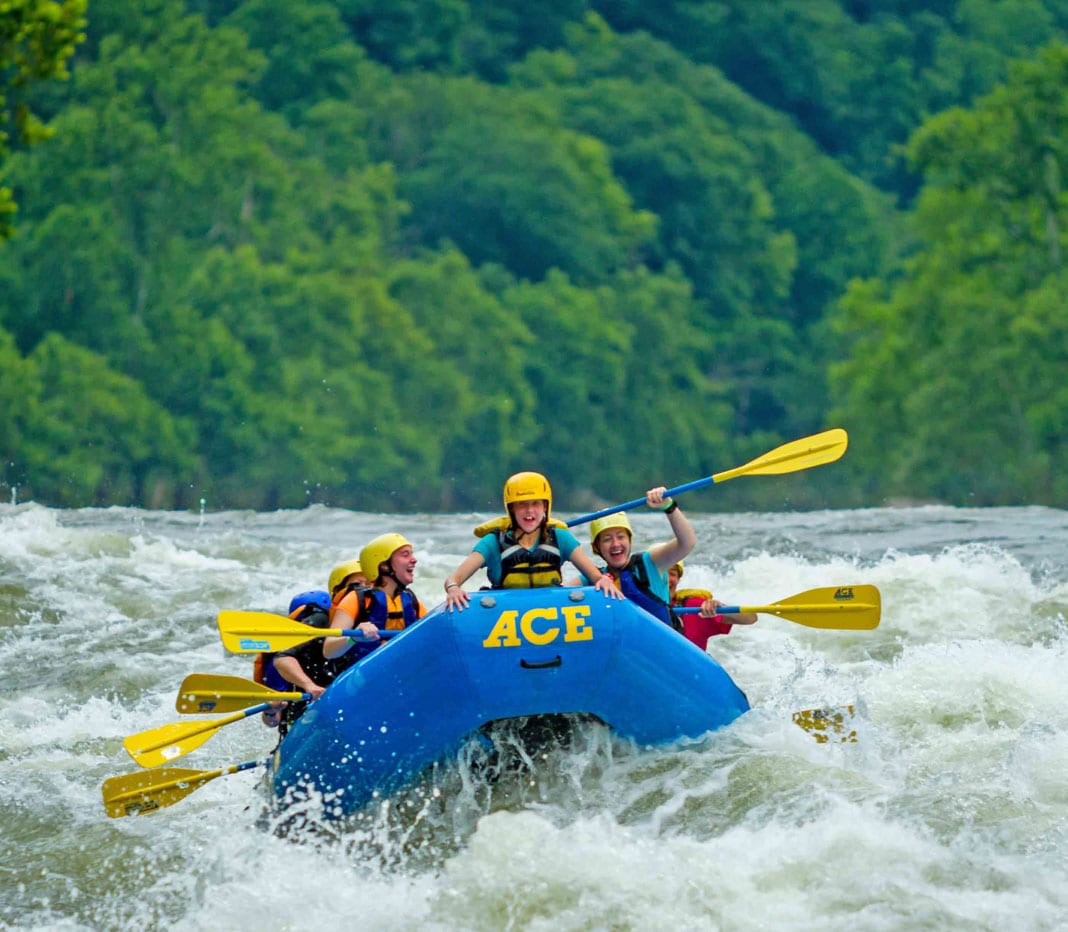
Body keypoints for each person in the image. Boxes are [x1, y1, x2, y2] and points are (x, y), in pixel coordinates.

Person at [443, 471, 621, 610]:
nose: (530, 511)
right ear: (511, 508)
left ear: (545, 506)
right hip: (506, 619)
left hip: (551, 615)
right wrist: (453, 589)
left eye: (536, 504)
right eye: (522, 504)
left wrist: (603, 580)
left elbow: (595, 576)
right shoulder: (492, 543)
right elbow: (454, 579)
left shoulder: (561, 538)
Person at [581, 487, 696, 630]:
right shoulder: (592, 576)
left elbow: (687, 543)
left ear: (629, 540)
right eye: (607, 539)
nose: (615, 544)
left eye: (621, 536)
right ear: (597, 547)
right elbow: (556, 591)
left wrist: (669, 506)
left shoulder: (649, 563)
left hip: (660, 647)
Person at [322, 533, 426, 662]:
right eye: (405, 555)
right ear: (384, 565)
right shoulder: (356, 599)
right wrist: (353, 637)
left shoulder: (411, 600)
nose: (414, 560)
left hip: (402, 669)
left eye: (412, 554)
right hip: (362, 676)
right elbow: (329, 650)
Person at [267, 590, 339, 735]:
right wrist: (270, 711)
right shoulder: (286, 658)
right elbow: (272, 722)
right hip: (301, 726)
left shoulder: (339, 649)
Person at [669, 560, 758, 650]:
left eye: (672, 573)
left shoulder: (692, 607)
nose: (666, 579)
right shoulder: (653, 611)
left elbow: (751, 618)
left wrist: (720, 609)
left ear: (678, 579)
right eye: (660, 573)